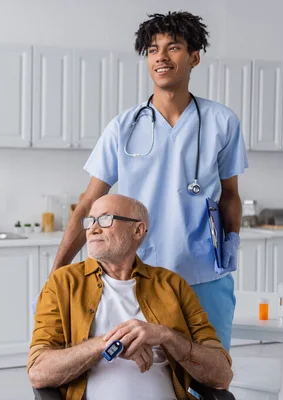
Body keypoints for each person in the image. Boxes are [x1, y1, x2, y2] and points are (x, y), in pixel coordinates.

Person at [48, 11, 248, 350]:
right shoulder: (123, 127)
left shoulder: (221, 122)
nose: (161, 57)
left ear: (194, 57)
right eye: (153, 50)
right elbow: (87, 203)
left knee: (209, 374)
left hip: (202, 274)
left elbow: (230, 195)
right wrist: (57, 273)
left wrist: (231, 243)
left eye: (174, 48)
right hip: (135, 275)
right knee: (139, 375)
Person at [28, 194, 233, 400]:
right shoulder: (63, 283)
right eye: (90, 221)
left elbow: (221, 376)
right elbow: (38, 371)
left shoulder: (172, 284)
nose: (93, 229)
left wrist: (166, 336)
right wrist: (108, 344)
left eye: (106, 219)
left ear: (138, 230)